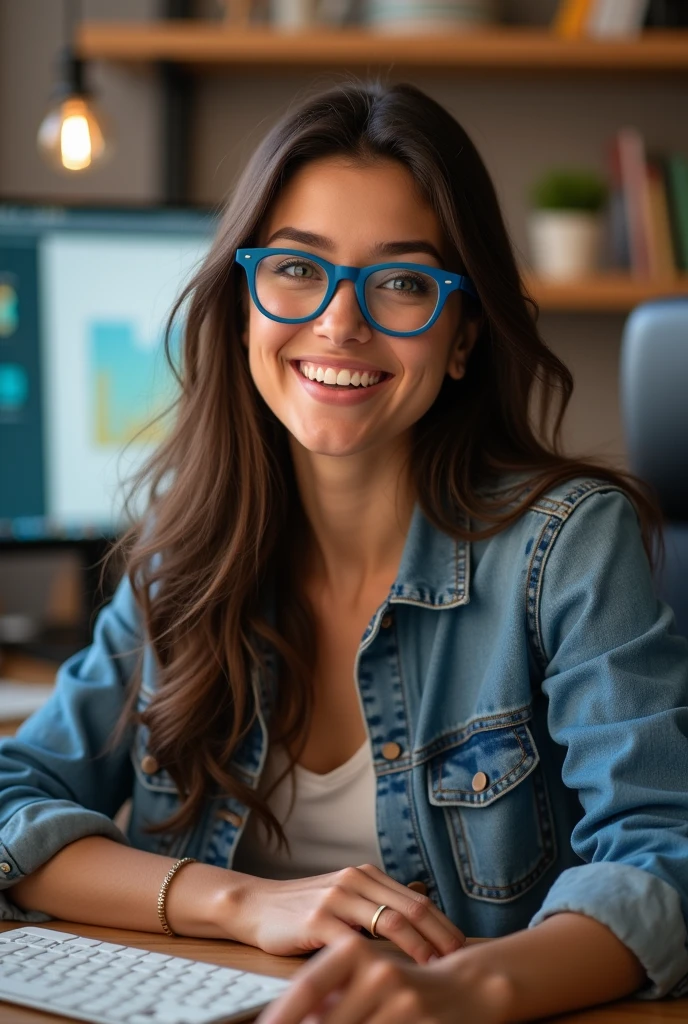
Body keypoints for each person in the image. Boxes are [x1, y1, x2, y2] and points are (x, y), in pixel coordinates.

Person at [1, 79, 687, 1024]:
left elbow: (665, 857)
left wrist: (456, 992)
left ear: (462, 336)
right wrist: (240, 903)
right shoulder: (185, 560)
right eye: (295, 267)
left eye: (402, 281)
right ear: (243, 301)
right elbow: (10, 798)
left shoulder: (565, 546)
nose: (338, 321)